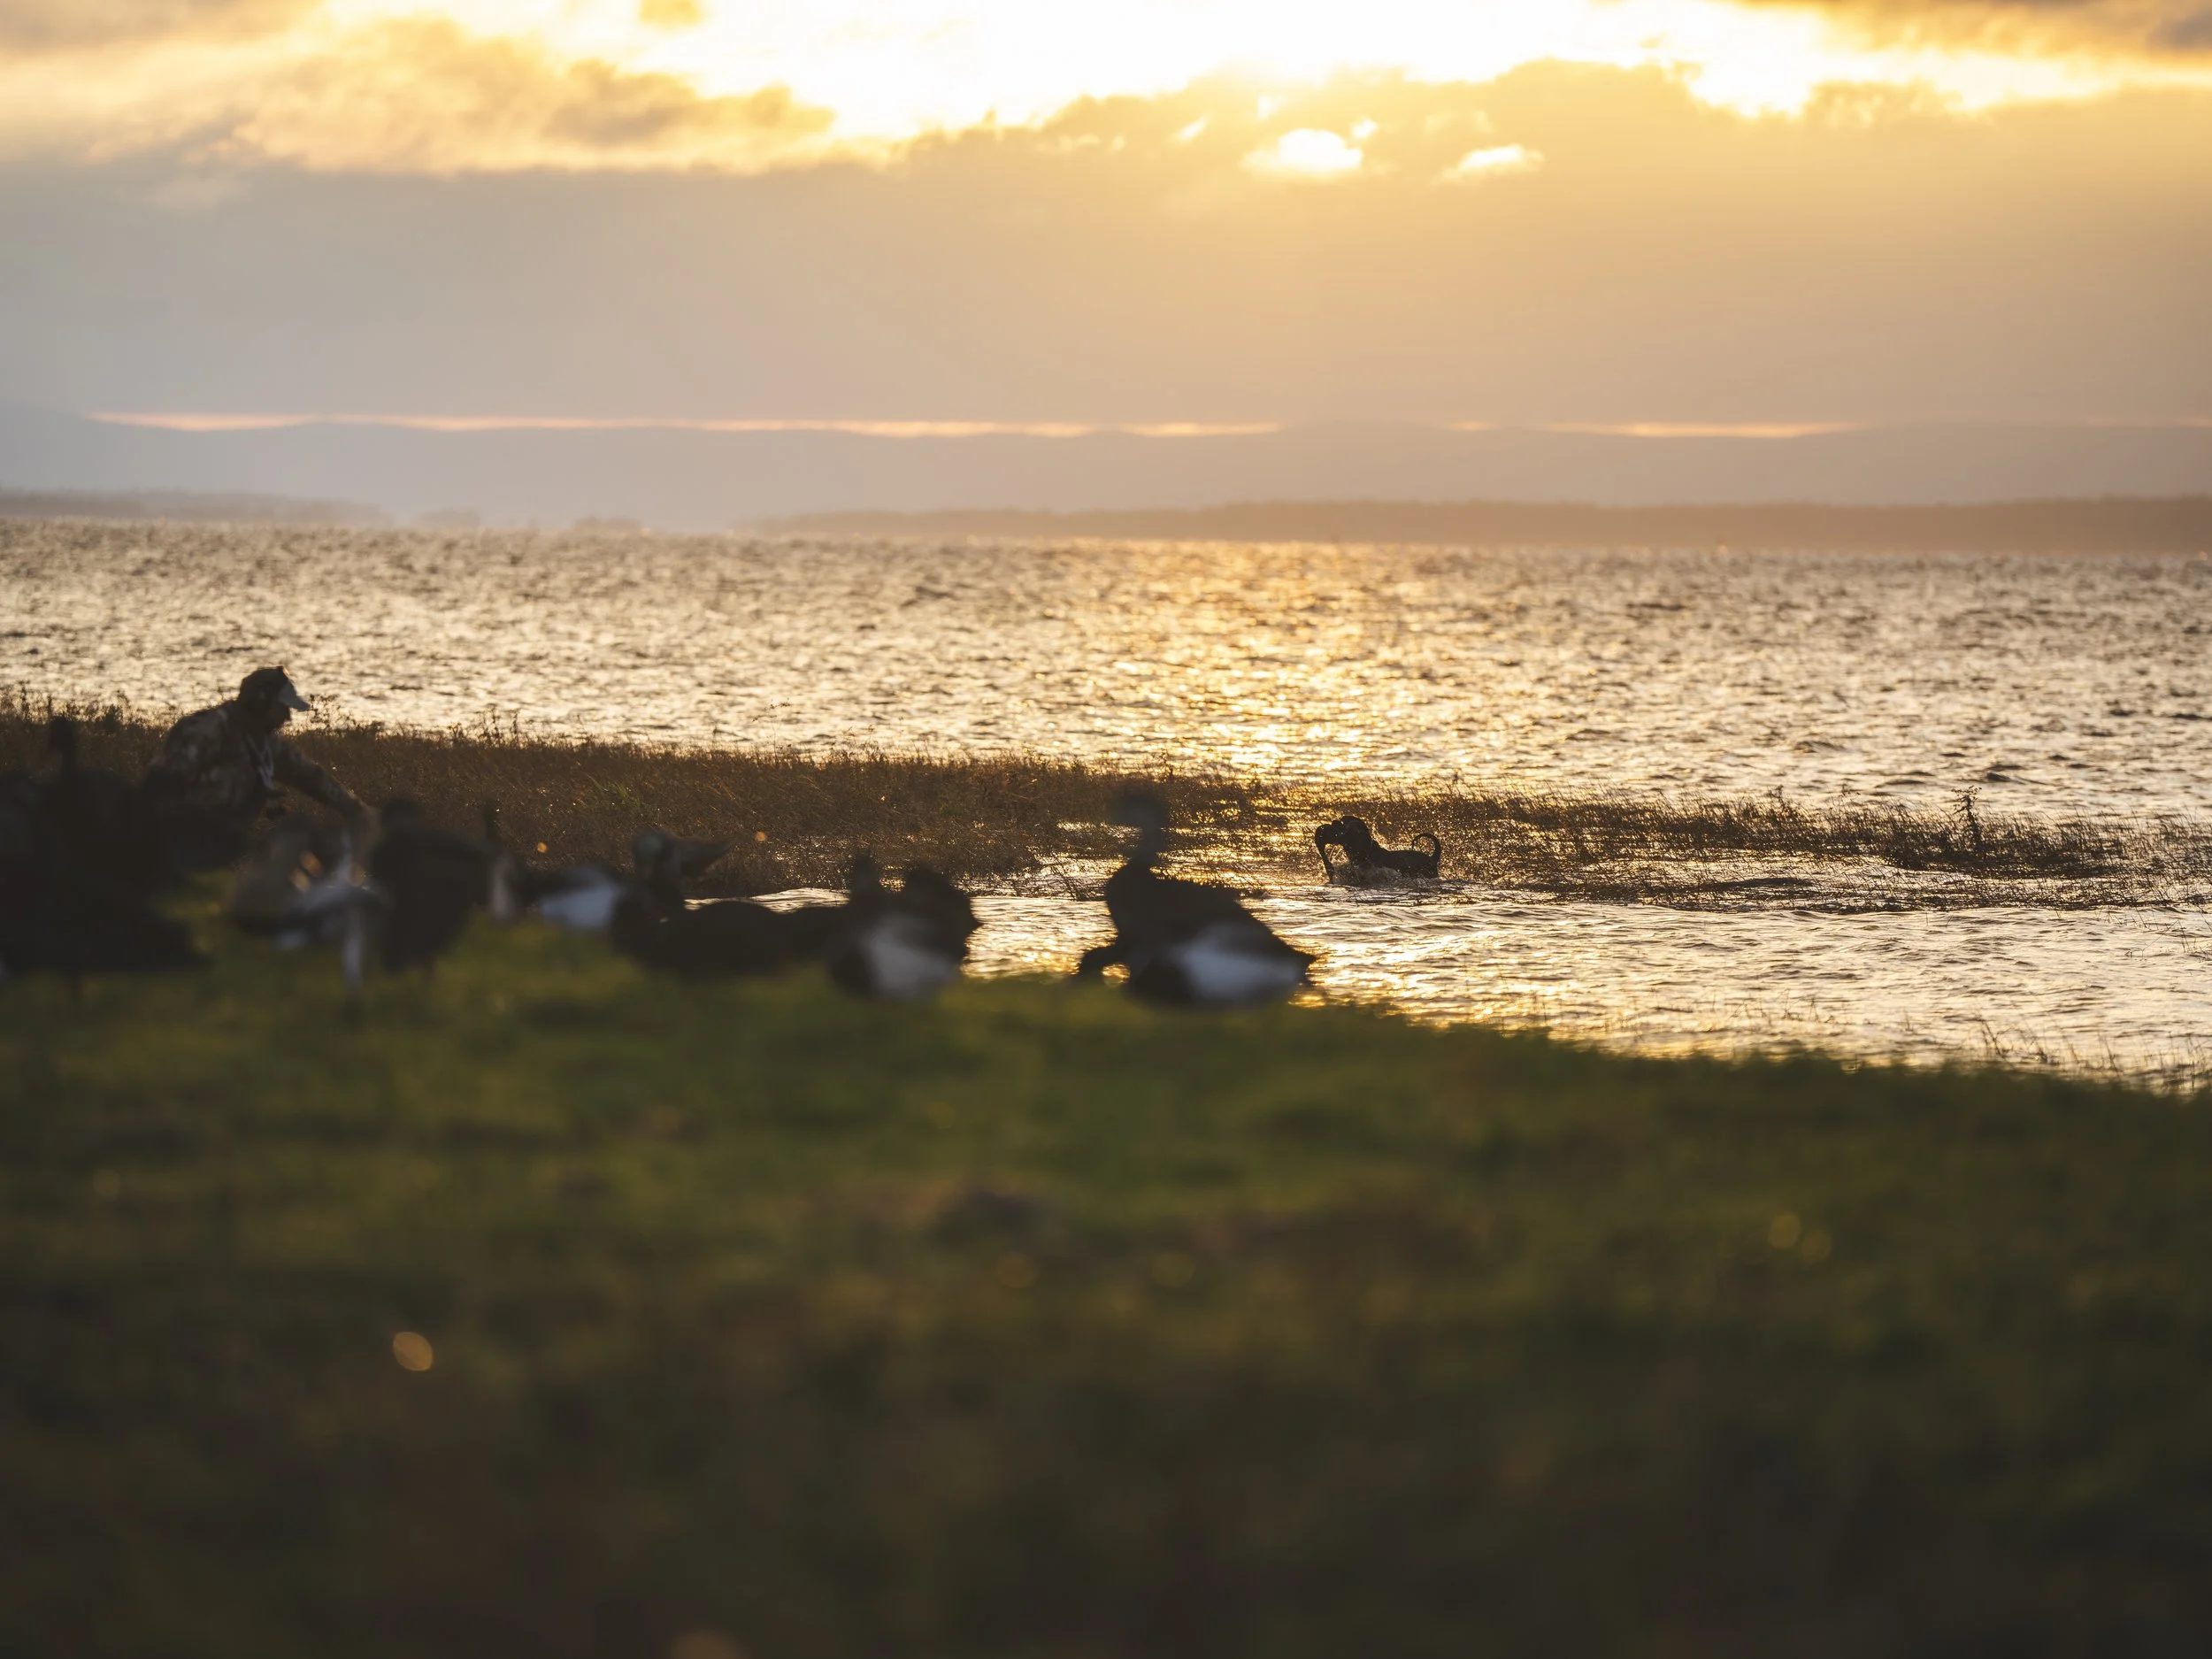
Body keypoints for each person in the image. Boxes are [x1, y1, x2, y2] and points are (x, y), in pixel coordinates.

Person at [143, 665, 367, 833]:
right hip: (177, 839)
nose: (287, 717)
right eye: (283, 708)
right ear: (260, 702)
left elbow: (309, 775)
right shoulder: (209, 730)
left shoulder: (264, 742)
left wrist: (355, 809)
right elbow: (163, 783)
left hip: (215, 844)